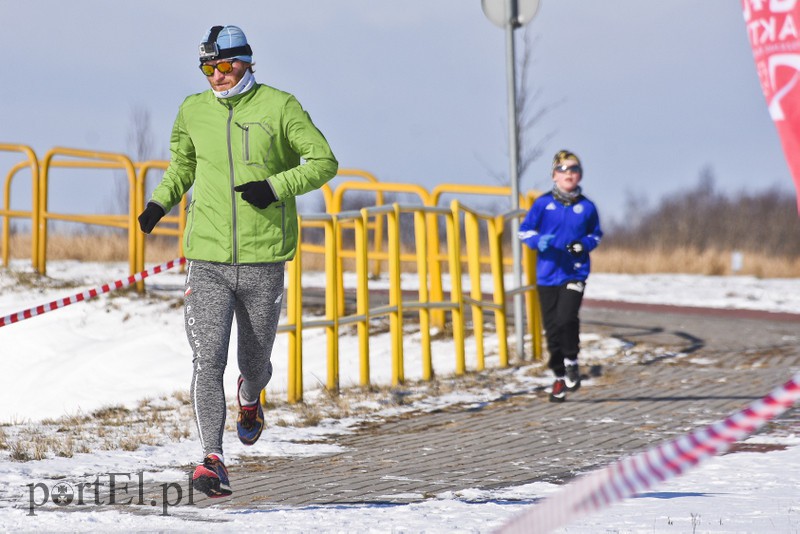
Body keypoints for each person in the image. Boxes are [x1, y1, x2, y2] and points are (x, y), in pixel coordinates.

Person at [137, 25, 338, 497]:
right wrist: (158, 203)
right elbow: (183, 166)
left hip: (264, 258)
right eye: (208, 67)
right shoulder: (192, 110)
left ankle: (251, 396)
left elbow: (323, 161)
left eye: (225, 65)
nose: (217, 76)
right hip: (205, 257)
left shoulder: (280, 106)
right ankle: (212, 458)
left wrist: (275, 188)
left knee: (255, 359)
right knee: (208, 358)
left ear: (247, 61)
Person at [518, 150, 602, 403]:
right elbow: (524, 231)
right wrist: (537, 241)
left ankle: (572, 361)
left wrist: (584, 244)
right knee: (552, 328)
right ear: (554, 175)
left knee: (566, 317)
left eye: (574, 169)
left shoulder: (587, 207)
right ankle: (559, 377)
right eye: (564, 169)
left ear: (580, 175)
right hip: (546, 274)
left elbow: (596, 234)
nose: (569, 174)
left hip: (574, 272)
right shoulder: (543, 204)